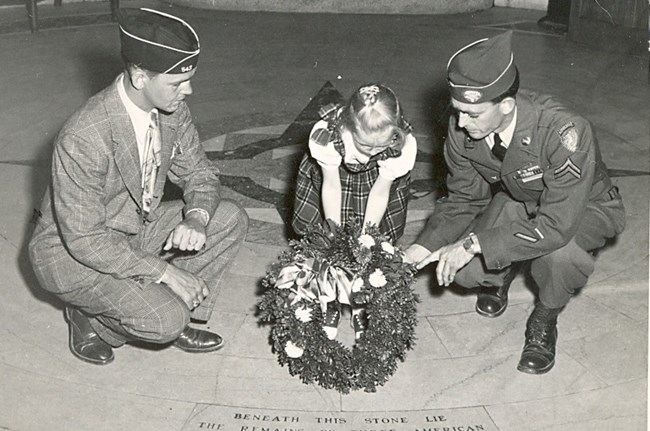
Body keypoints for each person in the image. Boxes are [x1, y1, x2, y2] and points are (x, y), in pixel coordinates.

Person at [28, 8, 248, 365]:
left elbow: (201, 174)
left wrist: (195, 218)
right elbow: (85, 241)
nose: (188, 91)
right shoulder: (85, 135)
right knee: (163, 321)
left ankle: (179, 310)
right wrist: (165, 272)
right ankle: (92, 317)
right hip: (72, 254)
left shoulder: (172, 110)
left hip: (130, 231)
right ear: (140, 76)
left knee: (228, 217)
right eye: (178, 82)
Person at [404, 31, 625, 375]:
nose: (461, 123)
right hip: (522, 200)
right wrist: (422, 247)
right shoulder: (463, 125)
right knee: (462, 271)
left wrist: (476, 242)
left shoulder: (564, 131)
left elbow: (556, 225)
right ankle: (500, 276)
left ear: (506, 106)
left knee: (559, 256)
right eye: (458, 110)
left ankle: (545, 318)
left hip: (583, 208)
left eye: (473, 114)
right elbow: (463, 197)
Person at [292, 83, 418, 339]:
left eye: (379, 147)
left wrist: (366, 239)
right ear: (349, 127)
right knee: (324, 249)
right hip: (333, 182)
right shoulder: (327, 136)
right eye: (364, 145)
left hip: (375, 189)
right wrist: (334, 235)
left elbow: (380, 192)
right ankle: (330, 303)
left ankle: (361, 303)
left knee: (372, 251)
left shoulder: (402, 145)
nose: (371, 153)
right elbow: (331, 186)